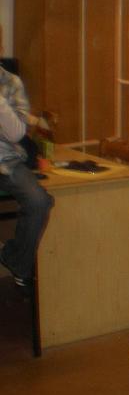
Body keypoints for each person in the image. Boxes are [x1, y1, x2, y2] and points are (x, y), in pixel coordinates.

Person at [0, 24, 53, 288]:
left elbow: (17, 133)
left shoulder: (12, 83)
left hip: (8, 161)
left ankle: (15, 260)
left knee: (39, 201)